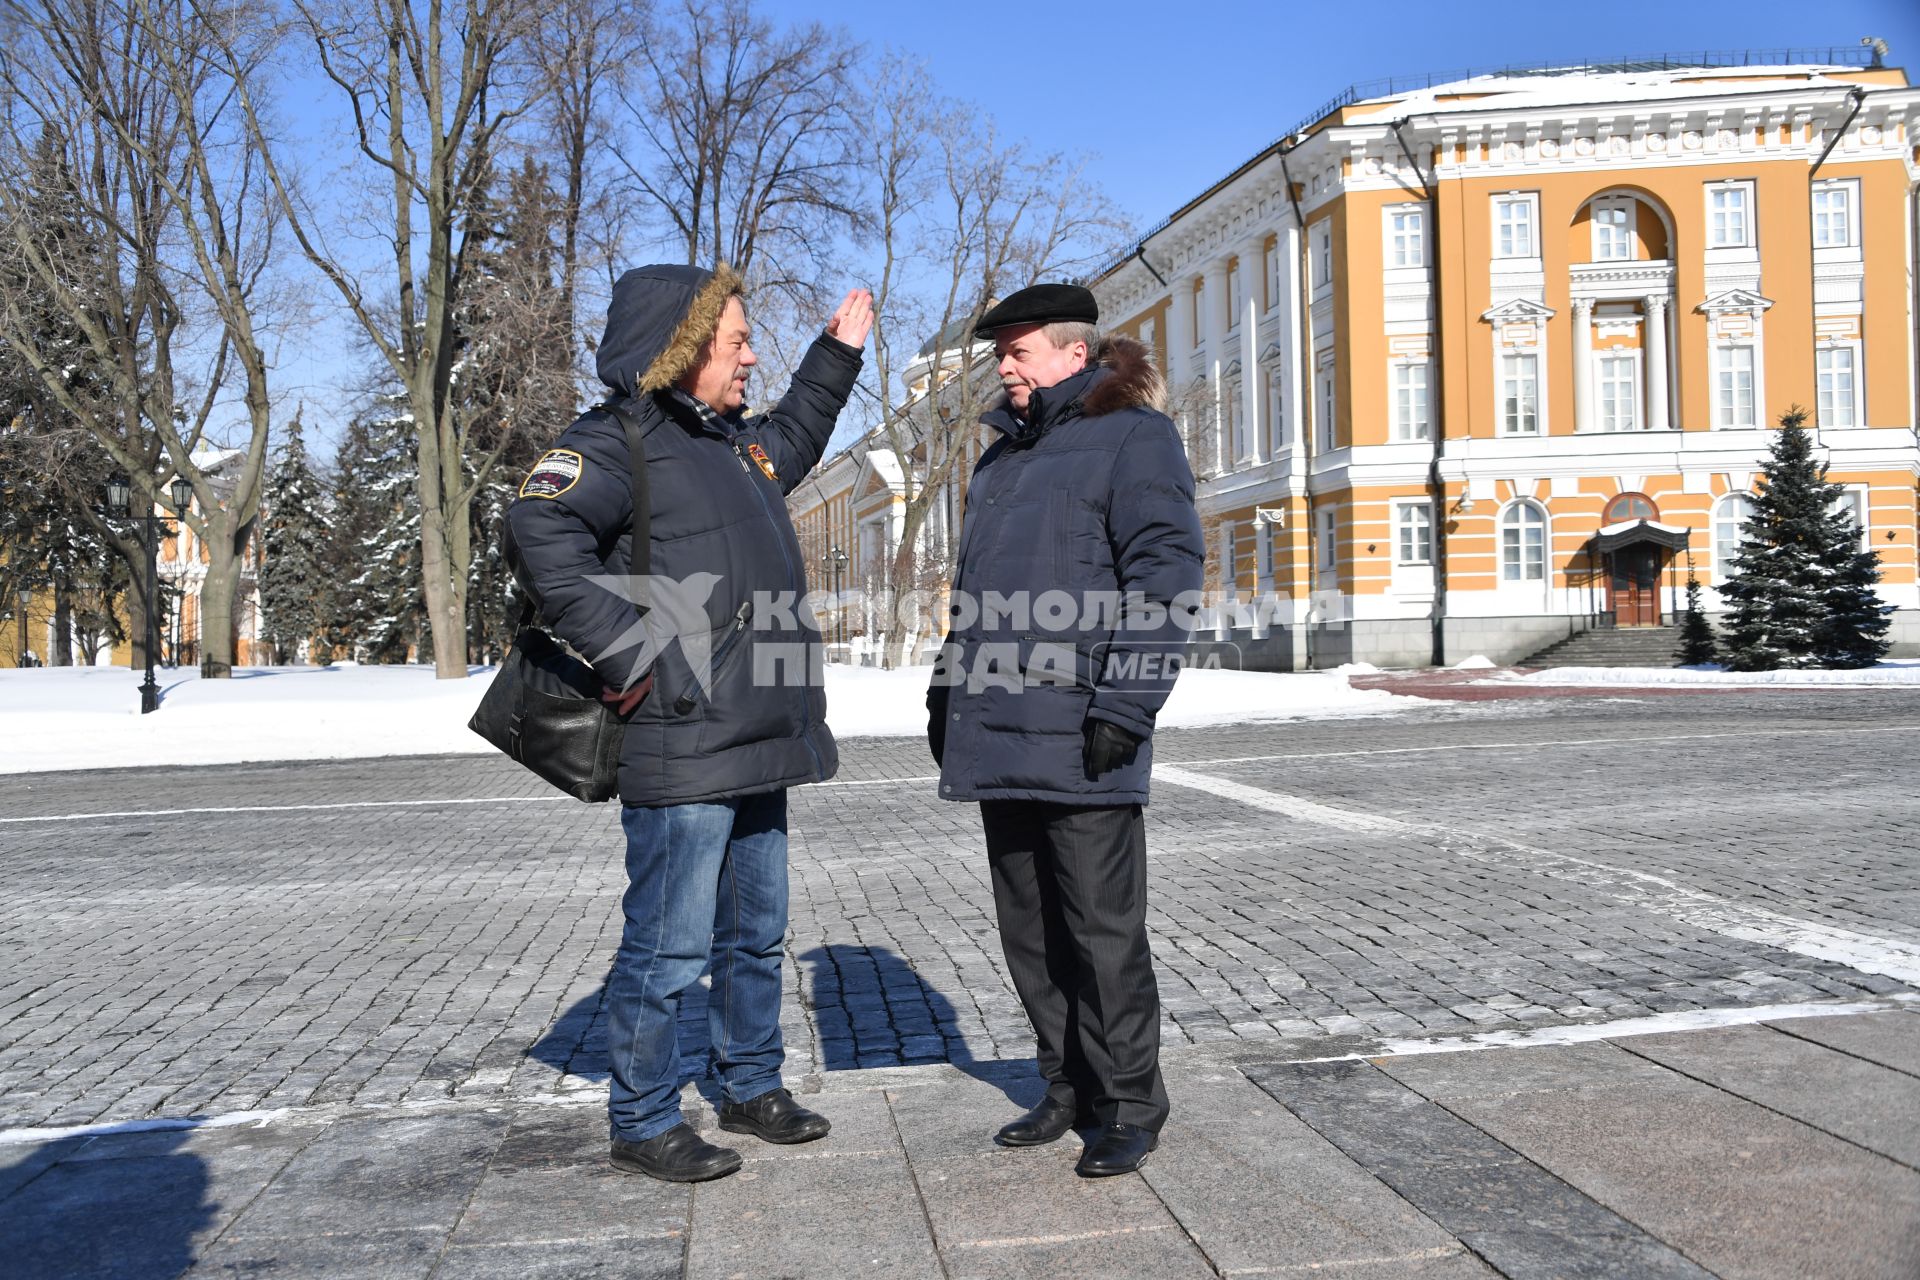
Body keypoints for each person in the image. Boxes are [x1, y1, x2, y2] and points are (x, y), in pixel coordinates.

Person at [509, 264, 872, 1182]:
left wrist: (837, 356)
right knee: (668, 945)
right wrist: (637, 656)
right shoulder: (614, 441)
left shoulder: (733, 447)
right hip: (681, 737)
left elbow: (794, 432)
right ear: (683, 347)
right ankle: (641, 1117)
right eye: (738, 341)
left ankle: (751, 1084)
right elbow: (536, 531)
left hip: (758, 733)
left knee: (755, 932)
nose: (752, 356)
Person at [927, 283, 1203, 1177]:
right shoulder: (1000, 458)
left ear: (1072, 354)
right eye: (999, 352)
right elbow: (975, 597)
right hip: (1000, 724)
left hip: (1085, 727)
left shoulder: (1135, 436)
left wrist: (1127, 705)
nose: (1003, 365)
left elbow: (1164, 576)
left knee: (1100, 931)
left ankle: (1128, 1103)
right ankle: (1066, 1086)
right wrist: (945, 690)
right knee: (1030, 931)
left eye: (1017, 350)